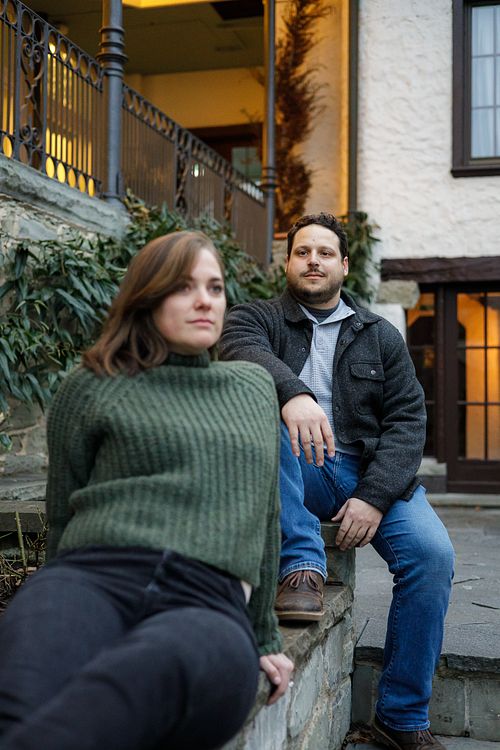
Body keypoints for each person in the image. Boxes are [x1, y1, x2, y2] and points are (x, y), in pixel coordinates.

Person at [0, 231, 293, 750]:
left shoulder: (252, 387)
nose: (205, 300)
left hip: (206, 601)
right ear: (146, 297)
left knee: (135, 684)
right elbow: (62, 512)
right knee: (21, 693)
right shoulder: (91, 383)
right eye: (183, 287)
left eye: (215, 287)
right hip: (90, 578)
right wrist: (54, 597)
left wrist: (264, 634)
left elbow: (264, 516)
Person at [220, 213, 455, 750]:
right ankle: (302, 565)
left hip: (367, 472)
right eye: (303, 252)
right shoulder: (255, 318)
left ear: (344, 265)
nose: (313, 261)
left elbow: (407, 421)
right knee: (261, 412)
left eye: (325, 253)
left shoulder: (380, 335)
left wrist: (374, 496)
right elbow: (240, 352)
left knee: (432, 556)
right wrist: (294, 394)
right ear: (287, 262)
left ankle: (400, 716)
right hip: (294, 463)